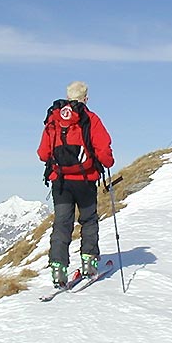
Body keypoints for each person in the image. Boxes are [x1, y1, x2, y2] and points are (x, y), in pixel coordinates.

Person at [37, 81, 114, 287]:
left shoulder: (53, 119)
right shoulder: (91, 119)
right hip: (85, 181)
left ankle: (58, 268)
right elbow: (104, 149)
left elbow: (43, 153)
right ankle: (89, 262)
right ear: (86, 98)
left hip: (60, 182)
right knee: (88, 220)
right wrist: (108, 162)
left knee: (62, 223)